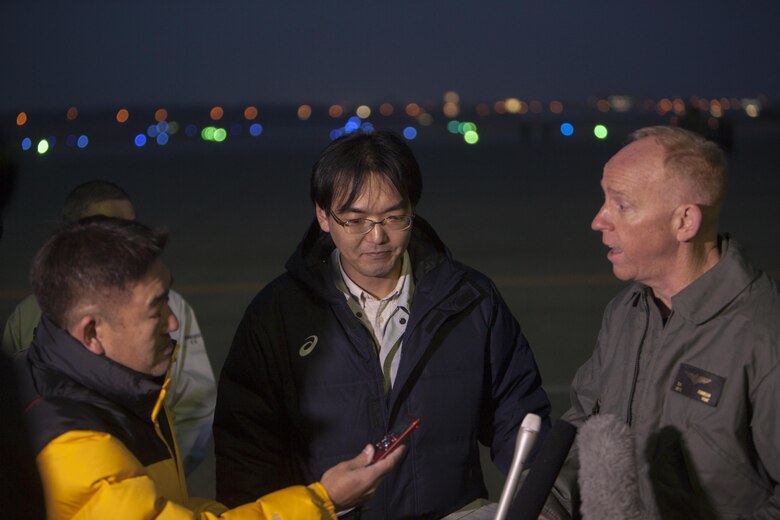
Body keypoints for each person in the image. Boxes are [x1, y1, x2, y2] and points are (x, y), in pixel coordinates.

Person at [214, 130, 552, 519]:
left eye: (394, 217)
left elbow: (518, 412)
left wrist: (539, 498)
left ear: (414, 208)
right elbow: (246, 449)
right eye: (355, 220)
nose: (377, 237)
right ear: (323, 216)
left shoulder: (470, 299)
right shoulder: (277, 313)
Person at [15, 216, 403, 518]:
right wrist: (323, 501)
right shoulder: (74, 448)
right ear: (92, 333)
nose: (172, 321)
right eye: (157, 306)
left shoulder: (113, 392)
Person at [543, 126, 780, 518]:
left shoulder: (764, 336)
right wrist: (546, 507)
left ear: (685, 222)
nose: (598, 220)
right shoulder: (626, 313)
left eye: (621, 204)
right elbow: (583, 423)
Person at [2, 180, 216, 474]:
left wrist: (167, 473)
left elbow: (195, 406)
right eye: (106, 228)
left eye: (131, 226)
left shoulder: (171, 306)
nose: (126, 240)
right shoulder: (75, 444)